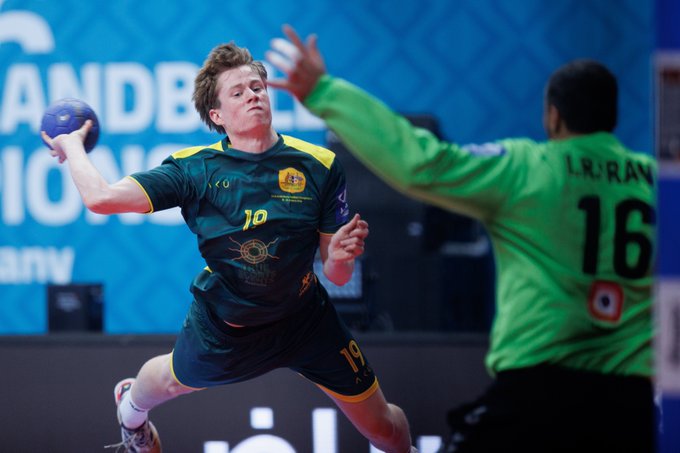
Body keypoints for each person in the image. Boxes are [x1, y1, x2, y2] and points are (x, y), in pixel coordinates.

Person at [266, 25, 657, 453]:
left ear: (553, 117)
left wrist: (324, 92)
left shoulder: (529, 168)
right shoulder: (658, 183)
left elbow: (422, 164)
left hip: (539, 393)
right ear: (613, 116)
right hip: (631, 405)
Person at [42, 41, 418, 453]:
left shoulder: (319, 165)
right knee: (168, 381)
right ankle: (130, 411)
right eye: (238, 92)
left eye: (257, 87)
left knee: (386, 431)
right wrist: (72, 145)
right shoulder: (193, 170)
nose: (253, 95)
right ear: (217, 115)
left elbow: (337, 274)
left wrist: (342, 258)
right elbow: (101, 198)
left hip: (306, 320)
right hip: (227, 330)